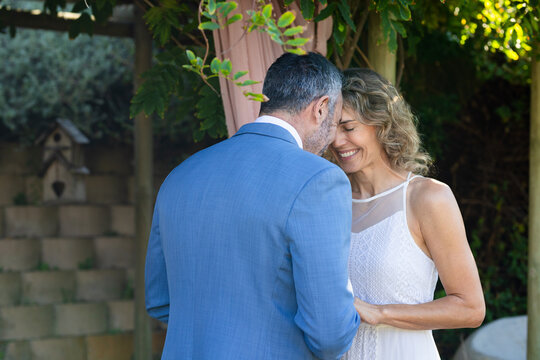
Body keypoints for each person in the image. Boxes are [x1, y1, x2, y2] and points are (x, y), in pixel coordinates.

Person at [145, 52, 360, 360]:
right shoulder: (319, 180)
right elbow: (330, 336)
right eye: (336, 122)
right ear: (322, 107)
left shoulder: (180, 176)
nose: (333, 138)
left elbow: (159, 300)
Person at [329, 68, 486, 360]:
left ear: (382, 125)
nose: (337, 141)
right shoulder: (329, 202)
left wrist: (379, 313)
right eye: (331, 129)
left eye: (348, 128)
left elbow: (470, 307)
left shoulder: (426, 198)